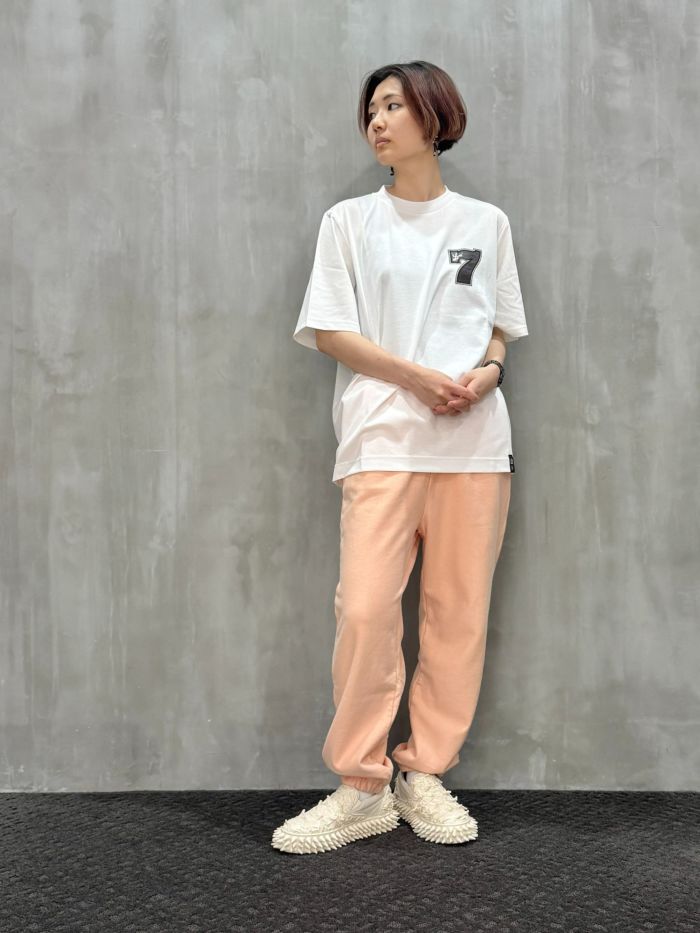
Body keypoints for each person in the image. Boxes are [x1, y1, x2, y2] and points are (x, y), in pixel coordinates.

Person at [272, 61, 529, 855]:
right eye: (372, 109)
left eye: (393, 106)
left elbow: (499, 326)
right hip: (382, 437)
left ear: (434, 116)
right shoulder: (349, 221)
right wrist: (417, 376)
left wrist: (488, 373)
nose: (377, 121)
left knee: (458, 615)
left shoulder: (486, 222)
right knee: (364, 610)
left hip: (474, 447)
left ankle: (424, 774)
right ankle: (361, 785)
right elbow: (331, 330)